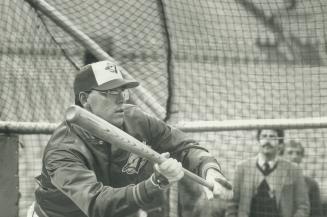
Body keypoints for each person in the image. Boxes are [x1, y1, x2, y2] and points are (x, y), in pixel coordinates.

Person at [31, 60, 233, 217]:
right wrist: (155, 183)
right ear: (85, 100)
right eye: (110, 92)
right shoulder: (63, 149)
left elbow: (185, 147)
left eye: (122, 91)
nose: (121, 98)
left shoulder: (135, 119)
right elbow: (97, 204)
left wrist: (211, 172)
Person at [226, 129, 310, 217]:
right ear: (258, 141)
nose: (267, 141)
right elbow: (232, 206)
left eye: (272, 137)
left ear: (280, 144)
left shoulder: (293, 170)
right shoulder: (242, 168)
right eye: (264, 136)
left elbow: (303, 207)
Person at [283, 140, 323, 217]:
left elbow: (316, 213)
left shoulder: (311, 184)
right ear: (281, 156)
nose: (294, 156)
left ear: (302, 157)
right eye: (290, 153)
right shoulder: (274, 181)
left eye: (298, 153)